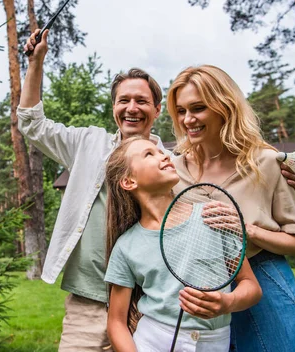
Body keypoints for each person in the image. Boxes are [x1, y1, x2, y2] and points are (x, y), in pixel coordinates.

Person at [19, 30, 295, 351]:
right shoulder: (87, 144)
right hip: (89, 298)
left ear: (156, 110)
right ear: (114, 107)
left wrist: (270, 174)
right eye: (123, 100)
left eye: (141, 101)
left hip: (148, 303)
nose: (131, 107)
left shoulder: (173, 166)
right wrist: (36, 61)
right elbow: (31, 124)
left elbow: (221, 172)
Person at [166, 65, 295, 352]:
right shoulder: (171, 171)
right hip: (197, 291)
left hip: (265, 285)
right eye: (181, 110)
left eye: (198, 108)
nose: (188, 119)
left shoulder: (267, 162)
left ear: (224, 106)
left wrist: (246, 230)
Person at [103, 136, 262, 351]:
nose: (165, 155)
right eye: (149, 154)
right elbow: (116, 322)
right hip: (153, 341)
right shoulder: (125, 246)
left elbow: (251, 286)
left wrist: (227, 303)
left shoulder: (212, 217)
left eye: (161, 151)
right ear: (129, 181)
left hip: (214, 342)